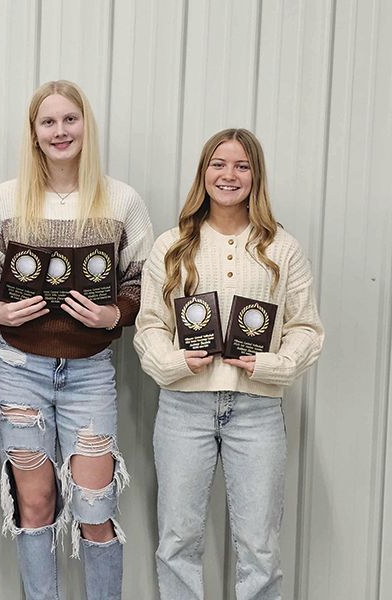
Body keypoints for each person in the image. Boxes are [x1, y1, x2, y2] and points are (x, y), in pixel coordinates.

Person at [0, 80, 153, 599]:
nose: (60, 131)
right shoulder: (7, 198)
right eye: (48, 122)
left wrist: (113, 315)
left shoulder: (122, 200)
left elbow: (141, 282)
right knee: (34, 506)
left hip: (90, 372)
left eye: (69, 119)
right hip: (20, 370)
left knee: (96, 506)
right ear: (33, 132)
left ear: (86, 126)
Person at [133, 128, 324, 599]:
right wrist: (177, 359)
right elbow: (149, 325)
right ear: (204, 173)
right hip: (183, 408)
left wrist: (271, 364)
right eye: (218, 164)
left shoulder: (283, 248)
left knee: (259, 545)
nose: (229, 175)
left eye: (241, 165)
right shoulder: (172, 244)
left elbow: (306, 328)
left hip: (257, 411)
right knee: (178, 540)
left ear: (255, 175)